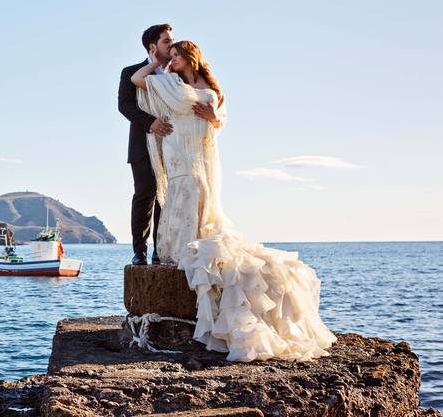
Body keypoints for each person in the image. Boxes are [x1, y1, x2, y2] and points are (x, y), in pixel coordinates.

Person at [130, 40, 338, 362]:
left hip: (197, 152)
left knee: (198, 194)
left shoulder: (209, 89)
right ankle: (173, 249)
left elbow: (218, 121)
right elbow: (137, 80)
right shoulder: (170, 84)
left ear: (189, 57)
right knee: (178, 197)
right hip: (176, 148)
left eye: (176, 55)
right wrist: (159, 63)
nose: (172, 60)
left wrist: (213, 118)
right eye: (169, 54)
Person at [118, 24, 175, 266]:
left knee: (168, 198)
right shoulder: (131, 72)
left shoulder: (178, 75)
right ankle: (139, 251)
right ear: (153, 47)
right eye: (167, 41)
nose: (172, 45)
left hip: (173, 144)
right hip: (142, 144)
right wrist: (151, 123)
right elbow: (125, 106)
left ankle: (160, 249)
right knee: (145, 194)